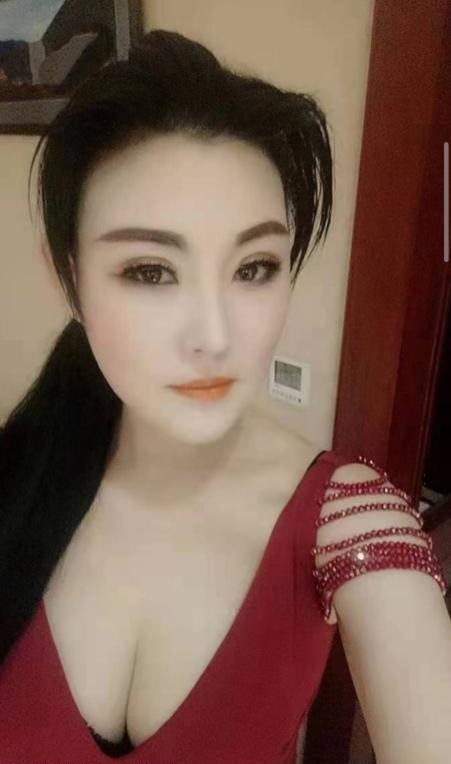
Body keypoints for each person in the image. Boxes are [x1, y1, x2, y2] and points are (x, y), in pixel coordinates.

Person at [0, 29, 449, 764]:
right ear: (67, 279)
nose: (214, 336)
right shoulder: (20, 469)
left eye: (253, 267)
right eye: (150, 271)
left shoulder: (347, 521)